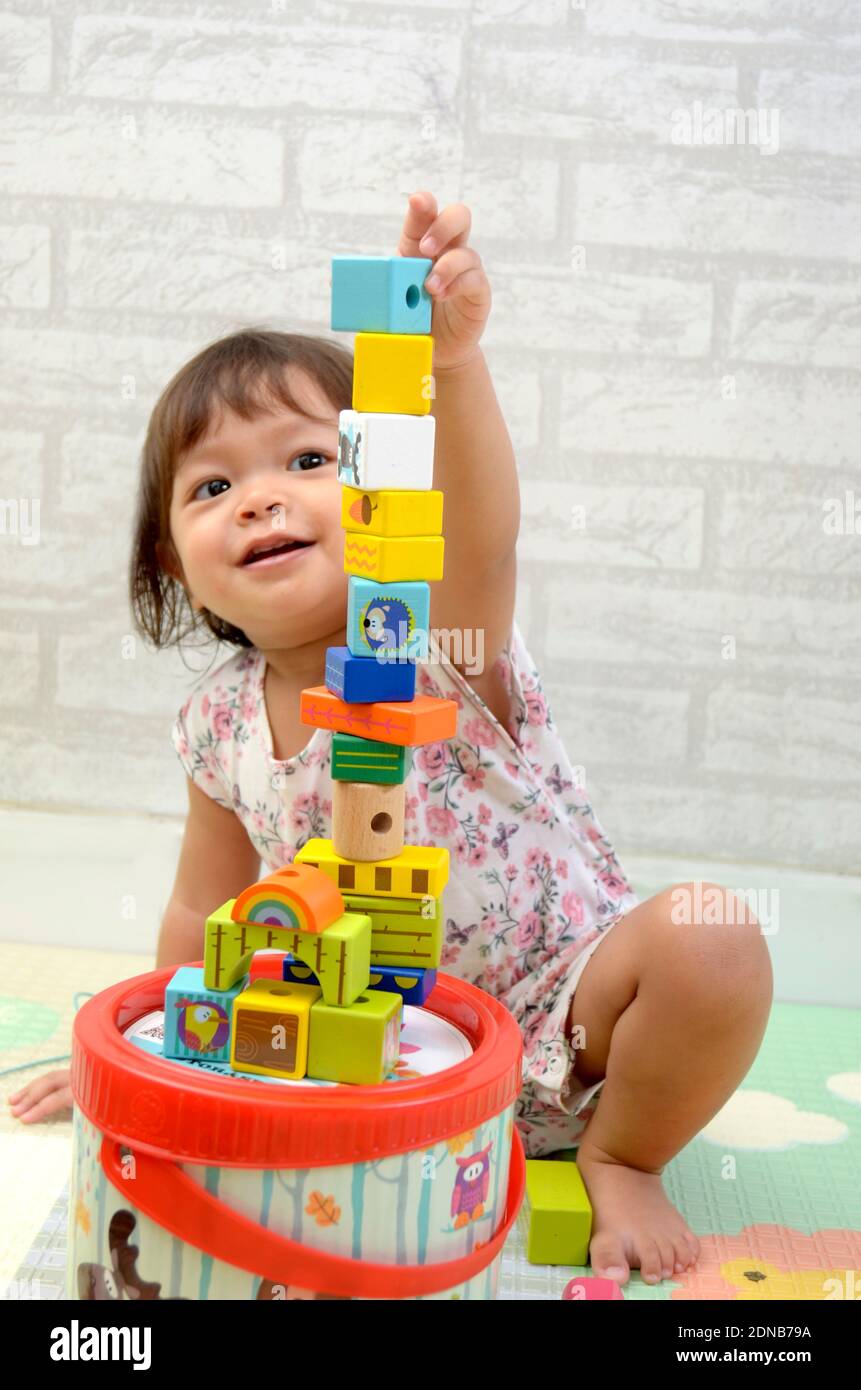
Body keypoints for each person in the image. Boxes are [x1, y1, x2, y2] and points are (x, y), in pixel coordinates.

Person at [9, 191, 772, 1287]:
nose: (261, 500)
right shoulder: (216, 722)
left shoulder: (438, 639)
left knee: (714, 940)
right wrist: (153, 1060)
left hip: (571, 1015)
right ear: (176, 561)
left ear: (383, 490)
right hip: (372, 1047)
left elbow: (483, 534)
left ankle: (624, 1156)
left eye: (308, 461)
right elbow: (203, 909)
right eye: (214, 486)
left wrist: (452, 367)